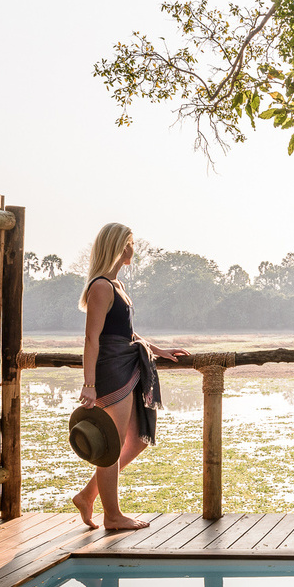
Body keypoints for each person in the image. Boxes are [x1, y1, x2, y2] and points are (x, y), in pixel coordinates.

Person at [72, 223, 189, 529]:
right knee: (112, 444)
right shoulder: (101, 286)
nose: (133, 249)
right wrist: (89, 385)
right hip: (112, 370)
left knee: (136, 440)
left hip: (127, 363)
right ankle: (112, 516)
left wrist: (159, 350)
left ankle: (87, 495)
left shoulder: (117, 286)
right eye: (131, 244)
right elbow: (92, 338)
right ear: (118, 246)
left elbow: (126, 333)